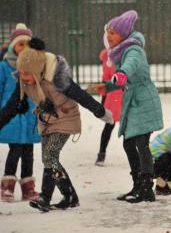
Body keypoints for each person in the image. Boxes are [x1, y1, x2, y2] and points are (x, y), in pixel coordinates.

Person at [0, 38, 114, 212]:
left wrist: (100, 111)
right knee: (50, 158)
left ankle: (45, 198)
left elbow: (80, 95)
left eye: (28, 73)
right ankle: (69, 196)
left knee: (50, 155)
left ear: (37, 71)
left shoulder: (58, 78)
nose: (24, 77)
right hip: (46, 121)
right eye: (21, 72)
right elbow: (10, 107)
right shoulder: (23, 81)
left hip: (66, 119)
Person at [90, 10, 163, 203]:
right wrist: (108, 85)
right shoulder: (123, 50)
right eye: (107, 33)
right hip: (134, 100)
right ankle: (138, 185)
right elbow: (125, 78)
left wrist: (121, 72)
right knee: (129, 142)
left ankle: (147, 188)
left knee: (140, 143)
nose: (108, 36)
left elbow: (130, 66)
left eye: (112, 32)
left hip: (143, 100)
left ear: (123, 33)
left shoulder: (133, 50)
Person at [0, 23, 41, 202]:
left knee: (28, 153)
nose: (24, 48)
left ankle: (28, 187)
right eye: (20, 44)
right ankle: (7, 185)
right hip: (12, 117)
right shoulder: (4, 67)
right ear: (12, 47)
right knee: (15, 150)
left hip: (30, 117)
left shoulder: (35, 66)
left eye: (27, 44)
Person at [94, 48, 123, 166]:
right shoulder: (107, 57)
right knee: (109, 124)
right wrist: (103, 97)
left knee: (131, 127)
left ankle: (139, 155)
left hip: (127, 95)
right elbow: (106, 77)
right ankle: (101, 154)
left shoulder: (128, 52)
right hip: (114, 96)